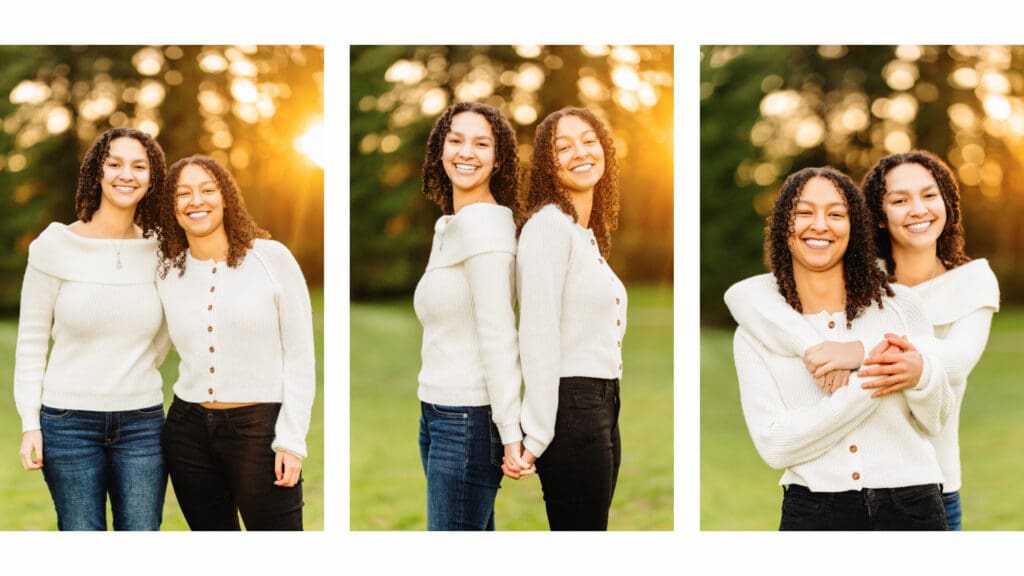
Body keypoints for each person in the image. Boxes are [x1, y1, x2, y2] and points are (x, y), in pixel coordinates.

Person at [725, 151, 999, 530]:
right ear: (878, 218)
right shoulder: (860, 279)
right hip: (819, 504)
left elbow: (953, 362)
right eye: (900, 200)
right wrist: (815, 349)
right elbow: (745, 295)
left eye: (928, 195)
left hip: (930, 484)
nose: (916, 209)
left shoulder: (936, 294)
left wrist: (860, 354)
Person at [13, 127, 169, 530]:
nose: (126, 174)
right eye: (114, 164)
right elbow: (31, 341)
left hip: (142, 423)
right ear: (96, 174)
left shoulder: (162, 251)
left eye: (139, 166)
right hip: (67, 424)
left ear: (152, 178)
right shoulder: (54, 245)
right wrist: (31, 423)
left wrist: (131, 373)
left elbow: (166, 334)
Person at [154, 155, 315, 530]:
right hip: (187, 432)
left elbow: (300, 356)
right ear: (171, 206)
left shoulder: (271, 259)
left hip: (260, 429)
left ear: (225, 197)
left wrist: (291, 440)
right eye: (183, 193)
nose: (197, 201)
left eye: (208, 190)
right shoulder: (166, 270)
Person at [414, 101, 528, 531]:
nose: (467, 152)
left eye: (482, 144)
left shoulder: (485, 228)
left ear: (498, 159)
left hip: (468, 421)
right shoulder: (450, 226)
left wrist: (510, 432)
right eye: (456, 140)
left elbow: (499, 335)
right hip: (437, 413)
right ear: (439, 149)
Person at [512, 106, 627, 530]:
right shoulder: (548, 227)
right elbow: (537, 335)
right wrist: (538, 432)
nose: (580, 152)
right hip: (571, 409)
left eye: (589, 141)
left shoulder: (586, 235)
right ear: (547, 163)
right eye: (563, 147)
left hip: (603, 401)